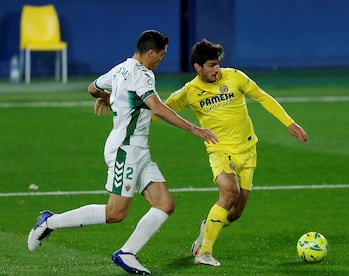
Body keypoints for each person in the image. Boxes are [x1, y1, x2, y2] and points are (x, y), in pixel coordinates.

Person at [27, 30, 219, 275]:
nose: (162, 59)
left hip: (138, 150)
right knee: (116, 212)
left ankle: (127, 253)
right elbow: (157, 108)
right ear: (151, 53)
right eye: (161, 55)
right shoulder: (142, 74)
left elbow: (92, 88)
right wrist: (194, 129)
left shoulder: (119, 69)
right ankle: (50, 221)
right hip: (125, 150)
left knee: (164, 204)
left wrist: (109, 96)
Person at [163, 39, 308, 266]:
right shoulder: (188, 92)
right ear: (197, 67)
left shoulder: (235, 76)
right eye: (211, 65)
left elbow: (262, 96)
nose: (216, 70)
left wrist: (289, 123)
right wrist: (119, 105)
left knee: (236, 212)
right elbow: (158, 110)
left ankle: (208, 226)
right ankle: (205, 253)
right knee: (229, 192)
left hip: (248, 150)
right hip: (219, 149)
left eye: (217, 64)